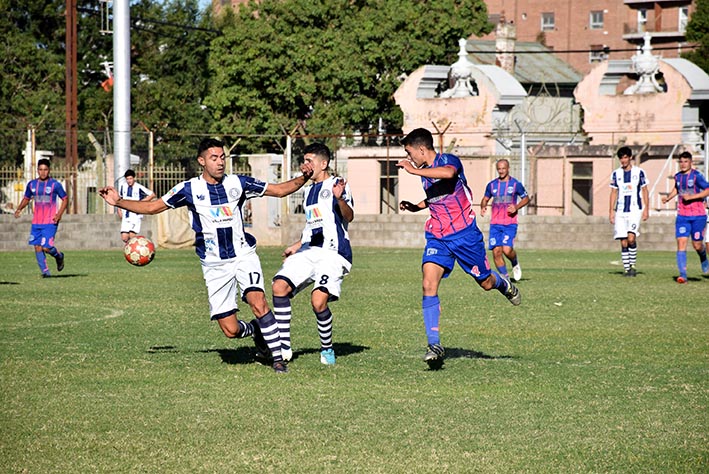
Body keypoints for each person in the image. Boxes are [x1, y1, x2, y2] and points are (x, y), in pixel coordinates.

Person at [99, 138, 314, 373]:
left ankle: (278, 359)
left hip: (243, 254)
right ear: (202, 161)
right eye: (214, 158)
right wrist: (118, 201)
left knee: (258, 301)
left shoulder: (238, 183)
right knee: (231, 331)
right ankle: (256, 330)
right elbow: (153, 207)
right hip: (214, 264)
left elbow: (280, 190)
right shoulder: (189, 189)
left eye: (222, 157)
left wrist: (304, 177)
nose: (220, 162)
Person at [397, 128, 521, 369]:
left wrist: (412, 170)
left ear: (422, 149)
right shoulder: (423, 172)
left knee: (485, 282)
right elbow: (436, 195)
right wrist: (416, 206)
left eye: (410, 152)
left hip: (465, 236)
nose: (409, 157)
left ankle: (504, 284)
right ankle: (434, 345)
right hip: (438, 237)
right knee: (428, 284)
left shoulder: (449, 161)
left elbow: (448, 174)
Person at [271, 143, 354, 367]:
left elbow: (349, 216)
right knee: (279, 286)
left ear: (323, 163)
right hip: (309, 250)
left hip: (333, 253)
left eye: (310, 160)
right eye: (304, 160)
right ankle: (284, 346)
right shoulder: (308, 191)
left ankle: (327, 348)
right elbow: (313, 225)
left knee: (318, 302)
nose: (306, 165)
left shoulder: (337, 184)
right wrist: (297, 245)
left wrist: (339, 198)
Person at [14, 158, 68, 278]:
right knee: (37, 246)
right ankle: (46, 273)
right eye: (40, 169)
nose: (43, 172)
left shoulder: (55, 185)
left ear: (49, 170)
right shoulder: (32, 184)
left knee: (46, 247)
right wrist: (19, 208)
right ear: (37, 170)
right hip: (37, 221)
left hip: (50, 221)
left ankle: (59, 256)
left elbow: (65, 198)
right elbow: (27, 198)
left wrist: (59, 214)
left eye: (45, 170)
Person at [661, 151, 709, 283]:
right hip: (682, 216)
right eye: (681, 162)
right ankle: (683, 275)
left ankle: (703, 257)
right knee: (681, 243)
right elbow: (677, 188)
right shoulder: (677, 177)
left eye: (686, 161)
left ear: (690, 162)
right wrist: (668, 198)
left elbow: (707, 189)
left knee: (697, 245)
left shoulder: (697, 176)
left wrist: (692, 197)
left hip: (698, 216)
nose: (683, 164)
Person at [479, 158, 529, 281]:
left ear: (508, 169)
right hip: (495, 224)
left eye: (503, 169)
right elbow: (485, 198)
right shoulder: (491, 185)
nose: (501, 171)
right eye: (499, 169)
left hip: (509, 223)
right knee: (496, 251)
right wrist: (483, 206)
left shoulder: (516, 184)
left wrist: (516, 207)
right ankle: (505, 278)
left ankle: (515, 262)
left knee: (507, 250)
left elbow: (526, 198)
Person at [608, 146, 649, 277]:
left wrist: (646, 208)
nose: (623, 160)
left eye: (625, 157)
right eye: (621, 158)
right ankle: (627, 269)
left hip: (634, 209)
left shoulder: (639, 172)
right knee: (623, 240)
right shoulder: (616, 174)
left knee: (631, 238)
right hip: (620, 211)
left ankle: (632, 265)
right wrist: (611, 211)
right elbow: (613, 192)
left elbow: (645, 190)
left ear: (630, 157)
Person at [117, 169, 156, 244]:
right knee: (124, 237)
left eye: (130, 178)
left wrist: (141, 203)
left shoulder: (139, 187)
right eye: (127, 179)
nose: (129, 181)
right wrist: (119, 209)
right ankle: (131, 250)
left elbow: (152, 195)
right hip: (126, 214)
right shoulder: (123, 187)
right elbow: (120, 199)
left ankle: (134, 252)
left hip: (135, 214)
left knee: (132, 236)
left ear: (134, 178)